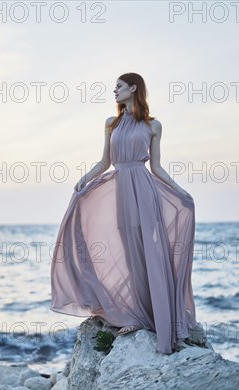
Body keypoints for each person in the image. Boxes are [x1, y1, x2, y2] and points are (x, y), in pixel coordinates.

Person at [49, 72, 200, 355]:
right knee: (131, 252)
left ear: (134, 88)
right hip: (121, 189)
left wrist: (181, 190)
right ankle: (138, 315)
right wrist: (85, 179)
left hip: (144, 190)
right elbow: (105, 162)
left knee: (151, 253)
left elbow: (156, 167)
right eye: (114, 87)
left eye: (118, 86)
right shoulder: (111, 123)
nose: (114, 91)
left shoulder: (153, 125)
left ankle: (159, 319)